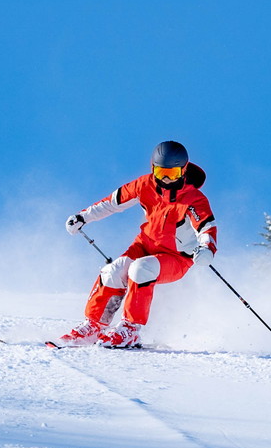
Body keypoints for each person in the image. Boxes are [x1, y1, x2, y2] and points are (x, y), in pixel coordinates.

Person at [53, 140, 217, 349]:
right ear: (153, 169)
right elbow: (112, 202)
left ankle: (130, 329)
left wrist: (206, 248)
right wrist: (83, 217)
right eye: (161, 172)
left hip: (176, 258)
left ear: (183, 171)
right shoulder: (144, 185)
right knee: (113, 271)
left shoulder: (193, 198)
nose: (166, 179)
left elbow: (206, 227)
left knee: (141, 269)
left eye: (173, 173)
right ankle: (94, 325)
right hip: (145, 246)